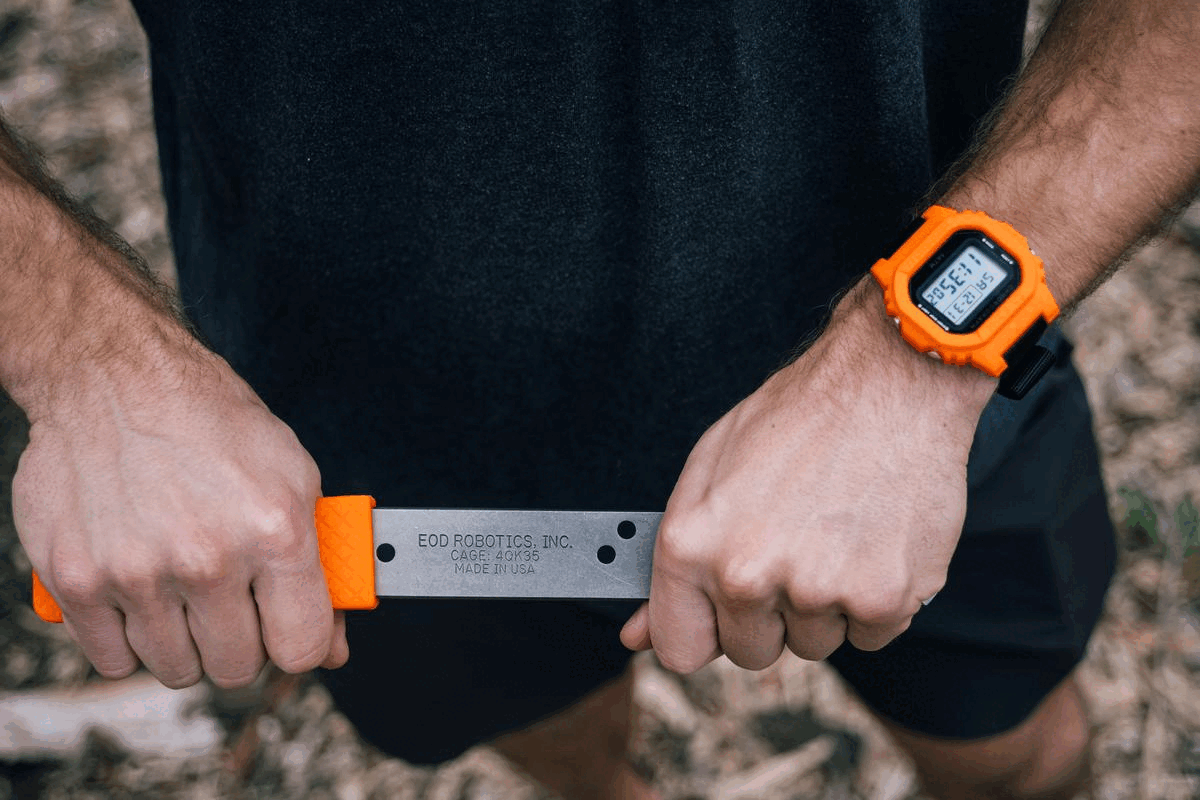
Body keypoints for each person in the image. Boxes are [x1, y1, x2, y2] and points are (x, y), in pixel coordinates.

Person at [2, 0, 1196, 797]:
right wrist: (86, 354)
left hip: (929, 417)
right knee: (545, 733)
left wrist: (909, 362)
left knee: (1019, 760)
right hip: (347, 463)